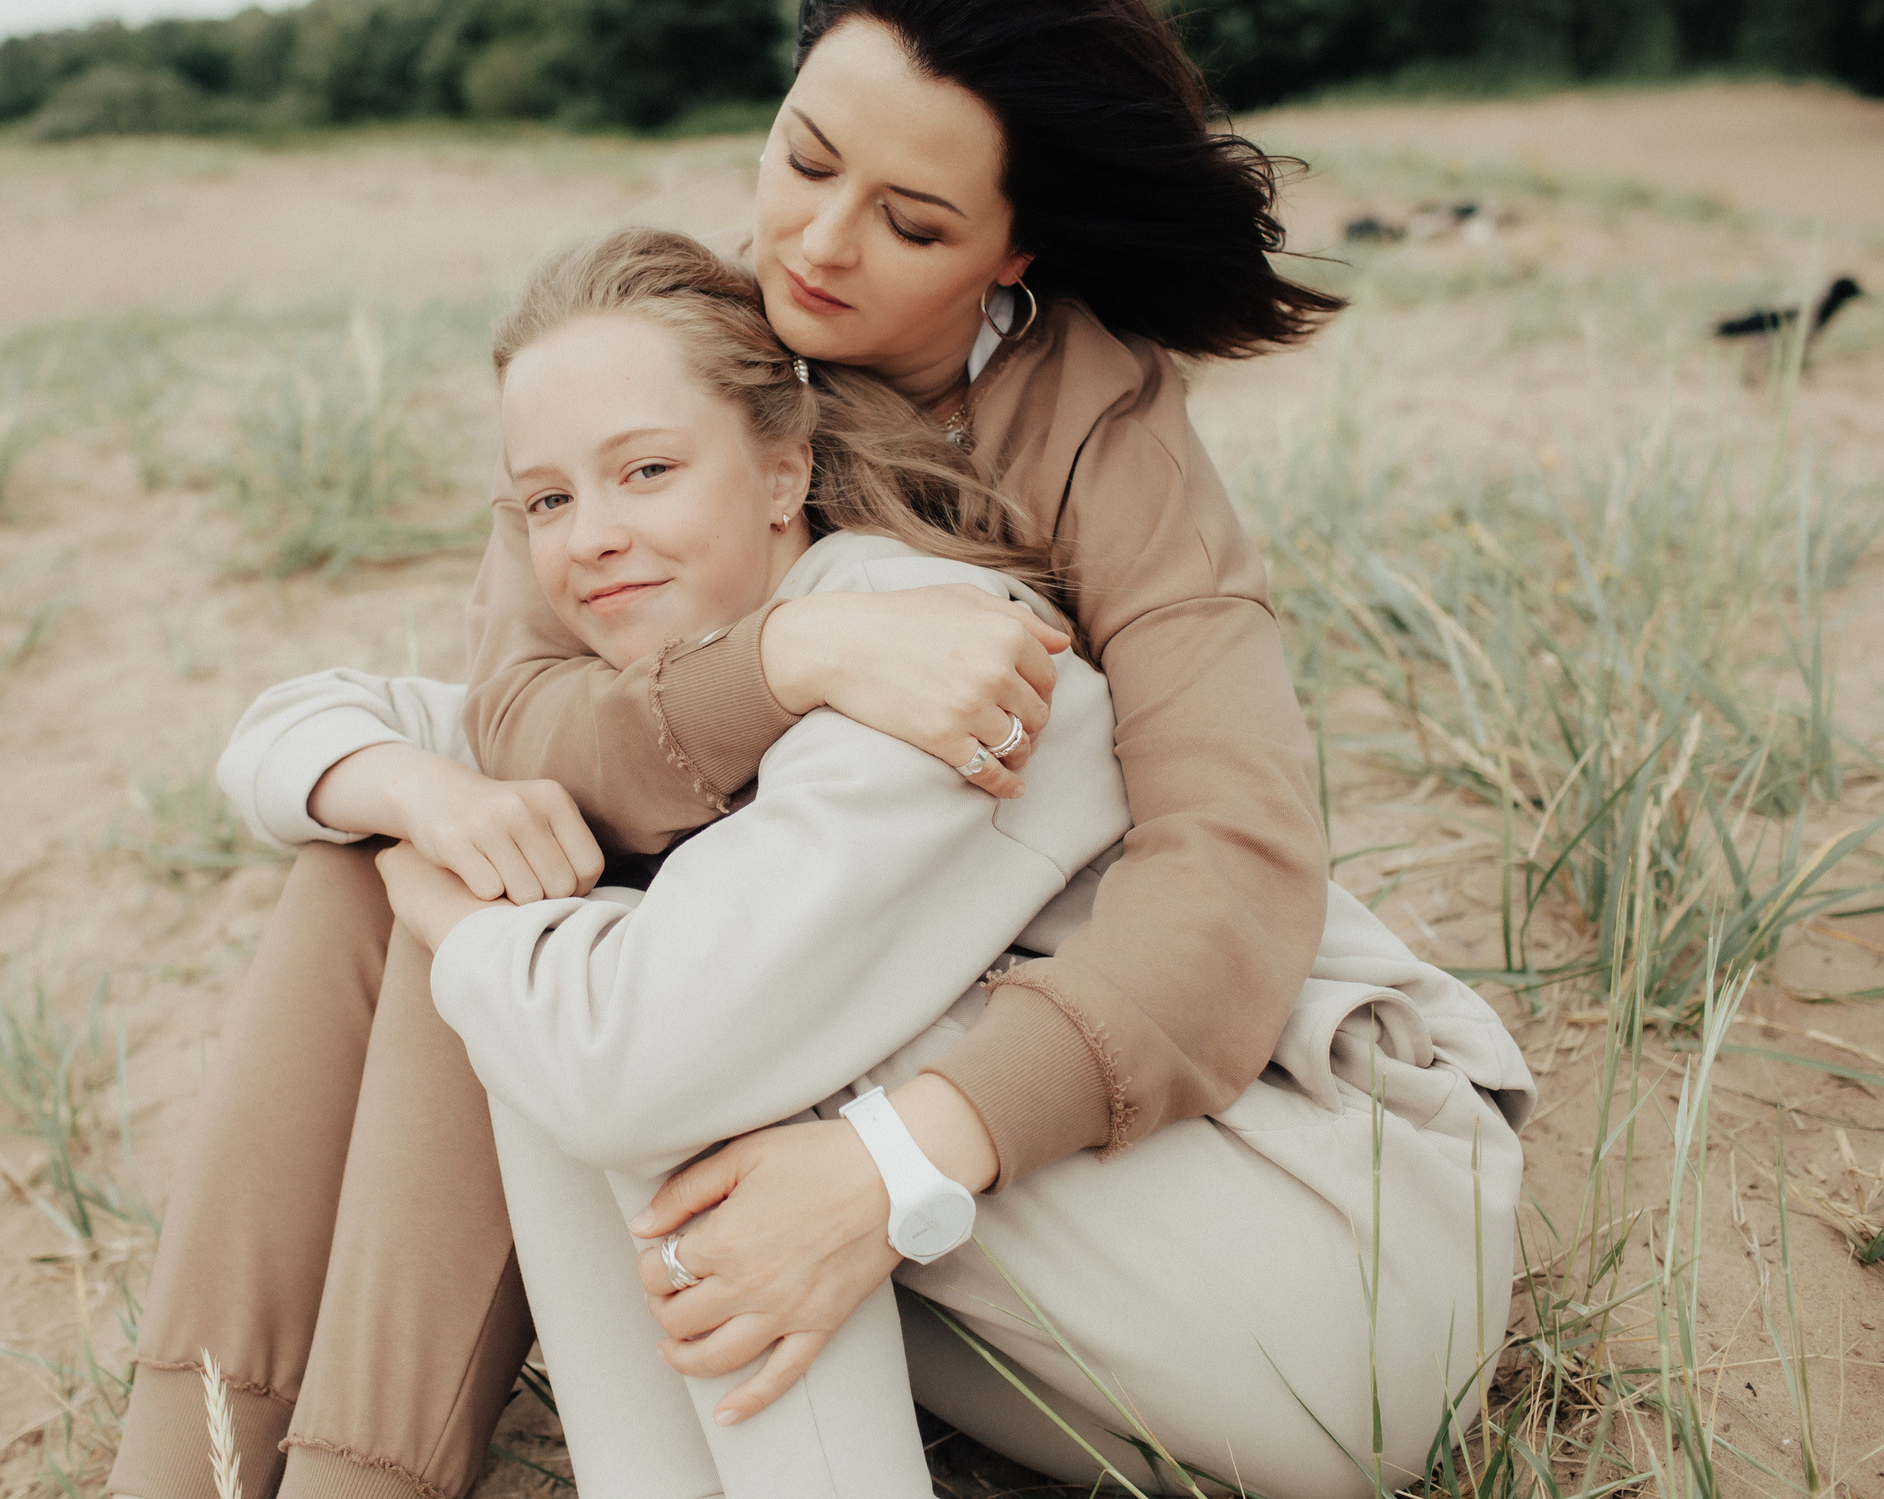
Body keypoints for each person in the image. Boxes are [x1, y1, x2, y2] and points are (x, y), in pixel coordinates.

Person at [101, 0, 1437, 1499]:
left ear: (1019, 242)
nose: (814, 241)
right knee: (415, 875)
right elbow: (519, 703)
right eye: (805, 158)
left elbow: (1233, 873)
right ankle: (195, 1462)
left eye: (913, 221)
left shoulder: (1106, 437)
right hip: (788, 959)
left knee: (528, 951)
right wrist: (781, 663)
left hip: (1036, 1057)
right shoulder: (681, 346)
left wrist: (899, 1161)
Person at [231, 226, 1532, 1495]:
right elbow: (287, 729)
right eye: (547, 503)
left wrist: (452, 904)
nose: (591, 538)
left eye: (646, 472)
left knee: (667, 1025)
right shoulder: (658, 690)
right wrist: (403, 791)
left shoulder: (937, 659)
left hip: (1336, 1287)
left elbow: (633, 1062)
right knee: (552, 925)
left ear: (784, 471)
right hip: (1124, 1371)